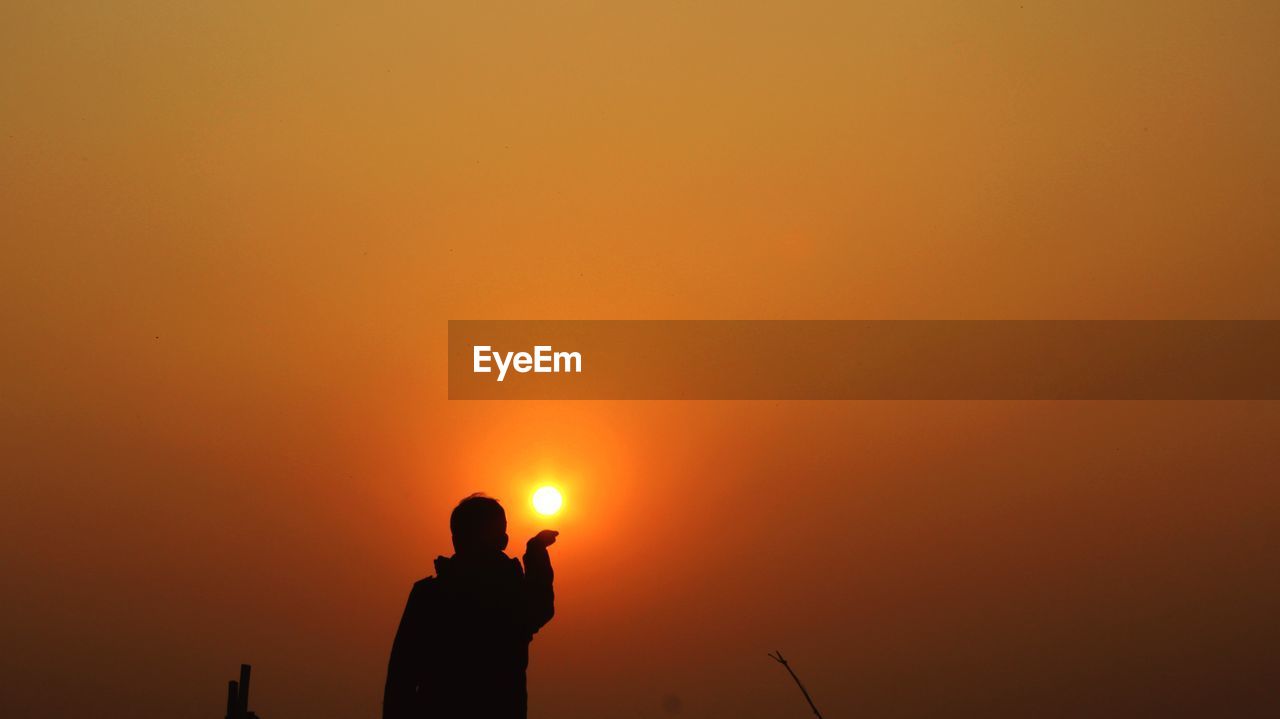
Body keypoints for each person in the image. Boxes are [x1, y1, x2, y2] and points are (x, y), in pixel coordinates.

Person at [384, 494, 558, 719]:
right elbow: (541, 606)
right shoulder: (509, 594)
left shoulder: (429, 594)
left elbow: (401, 678)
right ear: (499, 540)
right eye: (501, 531)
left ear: (456, 539)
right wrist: (535, 554)